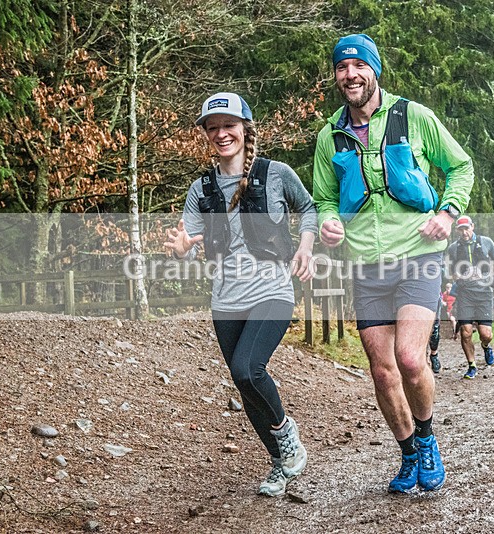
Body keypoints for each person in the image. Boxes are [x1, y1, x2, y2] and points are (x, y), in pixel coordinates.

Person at [312, 34, 474, 493]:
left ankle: (427, 438)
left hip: (418, 254)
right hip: (365, 263)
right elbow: (324, 198)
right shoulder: (330, 135)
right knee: (382, 372)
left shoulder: (413, 116)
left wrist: (448, 213)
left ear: (374, 71)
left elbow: (461, 166)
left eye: (358, 66)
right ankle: (407, 454)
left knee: (409, 358)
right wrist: (328, 223)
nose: (350, 75)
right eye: (341, 68)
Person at [164, 92, 317, 497]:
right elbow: (188, 245)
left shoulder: (275, 173)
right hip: (226, 299)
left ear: (245, 129)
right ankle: (280, 463)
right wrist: (182, 250)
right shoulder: (201, 189)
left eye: (229, 125)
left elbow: (309, 208)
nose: (221, 134)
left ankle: (286, 433)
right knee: (244, 384)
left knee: (247, 369)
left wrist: (305, 247)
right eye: (212, 128)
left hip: (272, 289)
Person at [446, 215, 494, 379]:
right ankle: (472, 365)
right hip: (465, 294)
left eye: (467, 228)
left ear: (473, 226)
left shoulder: (486, 242)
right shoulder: (453, 248)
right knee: (466, 332)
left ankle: (486, 346)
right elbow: (450, 270)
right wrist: (457, 277)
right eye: (461, 229)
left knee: (486, 334)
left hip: (484, 293)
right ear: (457, 231)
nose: (464, 232)